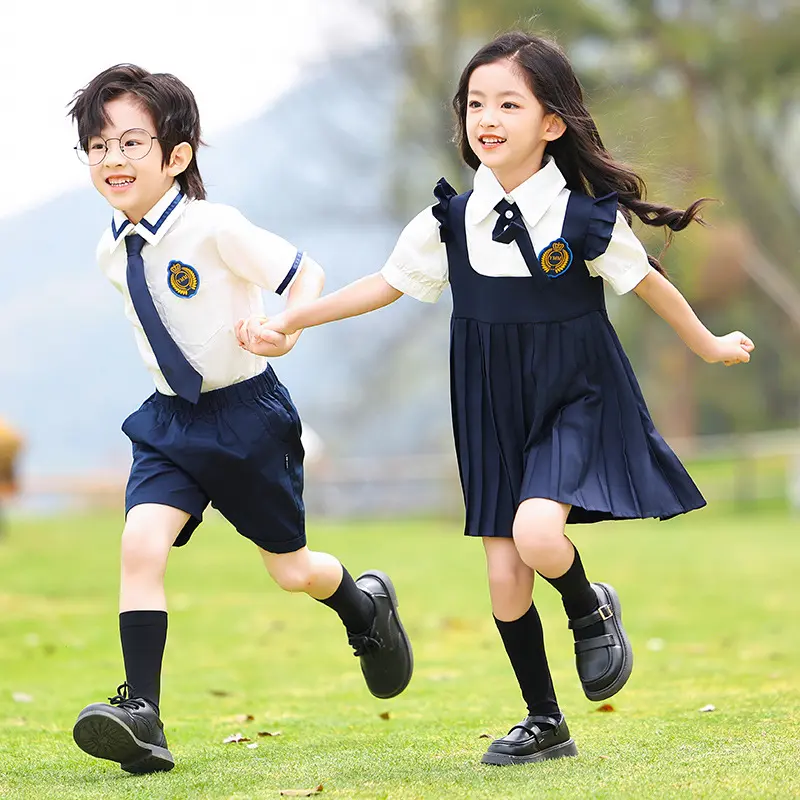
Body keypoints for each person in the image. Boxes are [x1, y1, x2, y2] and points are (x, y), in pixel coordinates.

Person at [236, 32, 754, 766]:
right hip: (486, 404)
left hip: (576, 393)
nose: (488, 117)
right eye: (477, 102)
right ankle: (546, 722)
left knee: (541, 535)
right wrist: (291, 318)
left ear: (551, 123)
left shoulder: (582, 219)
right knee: (505, 576)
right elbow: (385, 283)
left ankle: (588, 606)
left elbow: (647, 283)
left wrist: (708, 343)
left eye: (509, 103)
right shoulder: (450, 221)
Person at [66, 64, 413, 775]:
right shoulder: (111, 248)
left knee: (291, 573)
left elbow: (304, 273)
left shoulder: (213, 226)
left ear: (177, 155)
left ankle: (364, 606)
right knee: (140, 544)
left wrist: (286, 327)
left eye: (132, 144)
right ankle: (145, 716)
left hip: (246, 416)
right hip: (170, 422)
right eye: (98, 146)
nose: (113, 160)